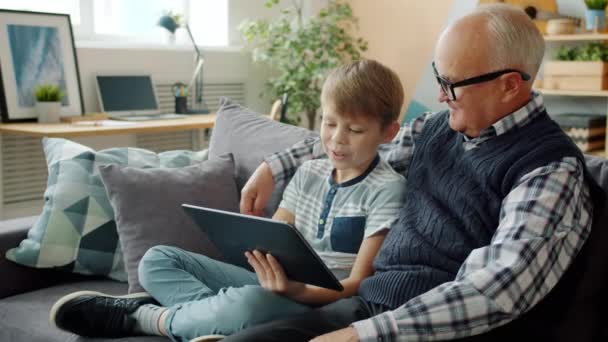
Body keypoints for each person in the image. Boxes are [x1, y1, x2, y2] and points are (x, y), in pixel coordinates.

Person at [223, 4, 602, 342]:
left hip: (429, 330)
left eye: (451, 85)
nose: (440, 96)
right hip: (369, 305)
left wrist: (361, 336)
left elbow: (497, 291)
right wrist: (273, 167)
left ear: (508, 86)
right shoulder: (434, 130)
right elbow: (356, 143)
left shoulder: (548, 170)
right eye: (440, 78)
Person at [49, 59, 407, 342]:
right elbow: (277, 237)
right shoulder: (309, 172)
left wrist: (297, 289)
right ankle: (208, 321)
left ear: (388, 132)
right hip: (268, 282)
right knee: (157, 259)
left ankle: (147, 318)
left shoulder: (386, 188)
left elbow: (359, 283)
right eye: (329, 124)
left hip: (318, 301)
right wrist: (257, 249)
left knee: (251, 301)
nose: (337, 140)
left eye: (355, 130)